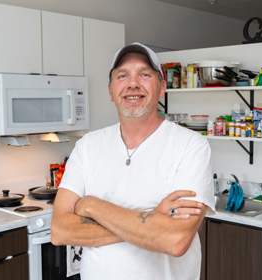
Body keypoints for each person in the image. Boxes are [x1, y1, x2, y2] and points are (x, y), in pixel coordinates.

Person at [51, 42, 215, 280]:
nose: (133, 83)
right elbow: (59, 230)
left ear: (161, 88)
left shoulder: (191, 146)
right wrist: (152, 220)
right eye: (122, 75)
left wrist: (91, 205)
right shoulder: (88, 146)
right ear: (110, 91)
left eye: (145, 74)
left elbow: (175, 240)